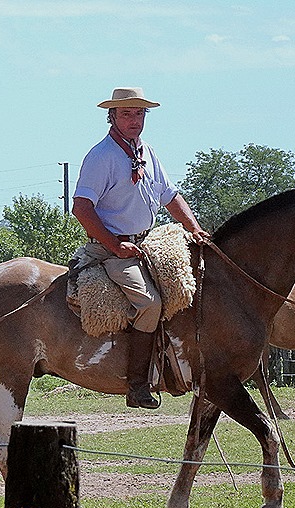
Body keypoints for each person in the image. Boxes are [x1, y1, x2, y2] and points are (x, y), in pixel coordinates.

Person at [70, 87, 209, 409]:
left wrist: (195, 229)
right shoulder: (102, 156)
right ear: (113, 116)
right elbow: (81, 208)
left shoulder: (146, 151)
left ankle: (181, 366)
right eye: (127, 114)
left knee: (197, 283)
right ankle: (137, 385)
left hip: (147, 241)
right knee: (149, 303)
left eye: (139, 114)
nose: (134, 120)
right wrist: (115, 245)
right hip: (111, 249)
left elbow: (170, 196)